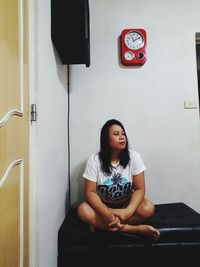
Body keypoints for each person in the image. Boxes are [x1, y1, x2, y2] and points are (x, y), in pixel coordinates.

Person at [77, 119, 160, 240]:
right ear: (106, 139)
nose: (122, 137)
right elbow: (90, 192)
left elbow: (139, 189)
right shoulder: (94, 160)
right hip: (103, 206)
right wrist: (106, 213)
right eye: (116, 134)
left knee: (148, 207)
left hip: (126, 204)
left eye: (123, 134)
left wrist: (128, 211)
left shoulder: (134, 157)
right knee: (83, 210)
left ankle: (100, 225)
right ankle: (134, 229)